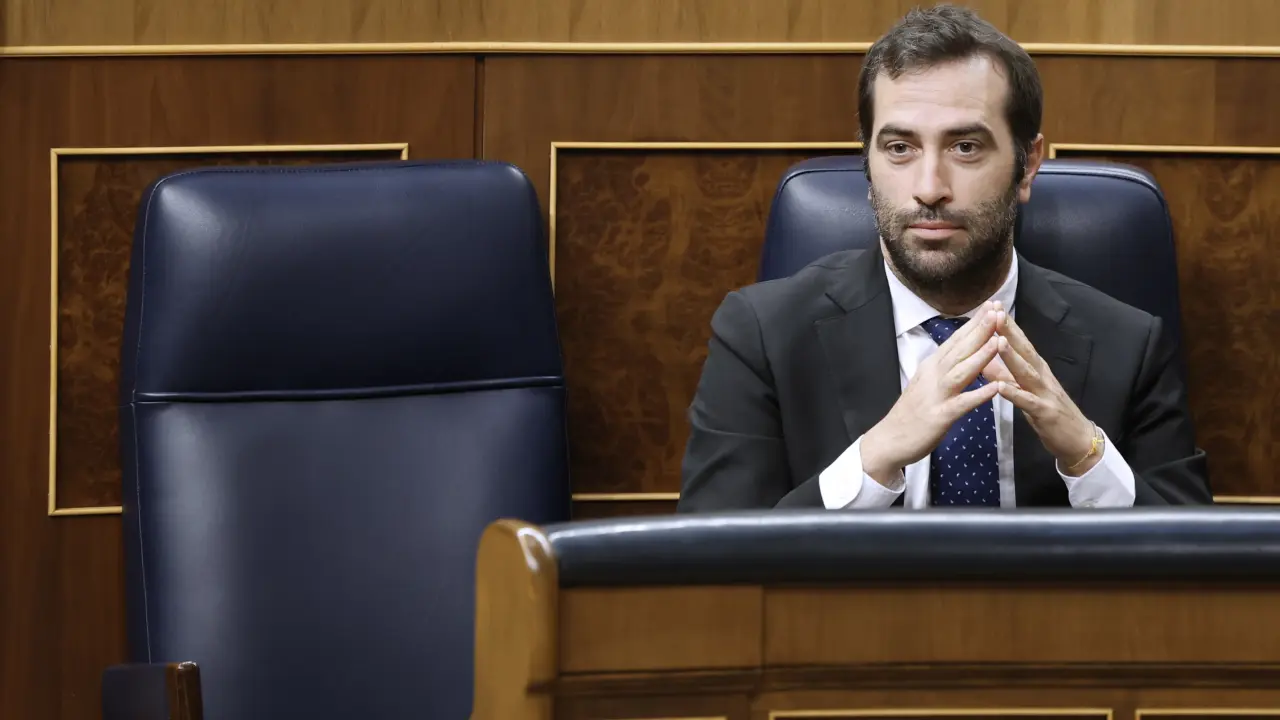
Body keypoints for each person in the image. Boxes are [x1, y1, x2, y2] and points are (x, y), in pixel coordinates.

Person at [676, 5, 1212, 511]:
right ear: (868, 162)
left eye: (965, 147)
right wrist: (874, 458)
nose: (929, 187)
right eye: (900, 148)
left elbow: (1197, 561)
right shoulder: (761, 336)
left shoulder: (1130, 345)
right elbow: (711, 559)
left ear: (1027, 165)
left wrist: (1086, 455)